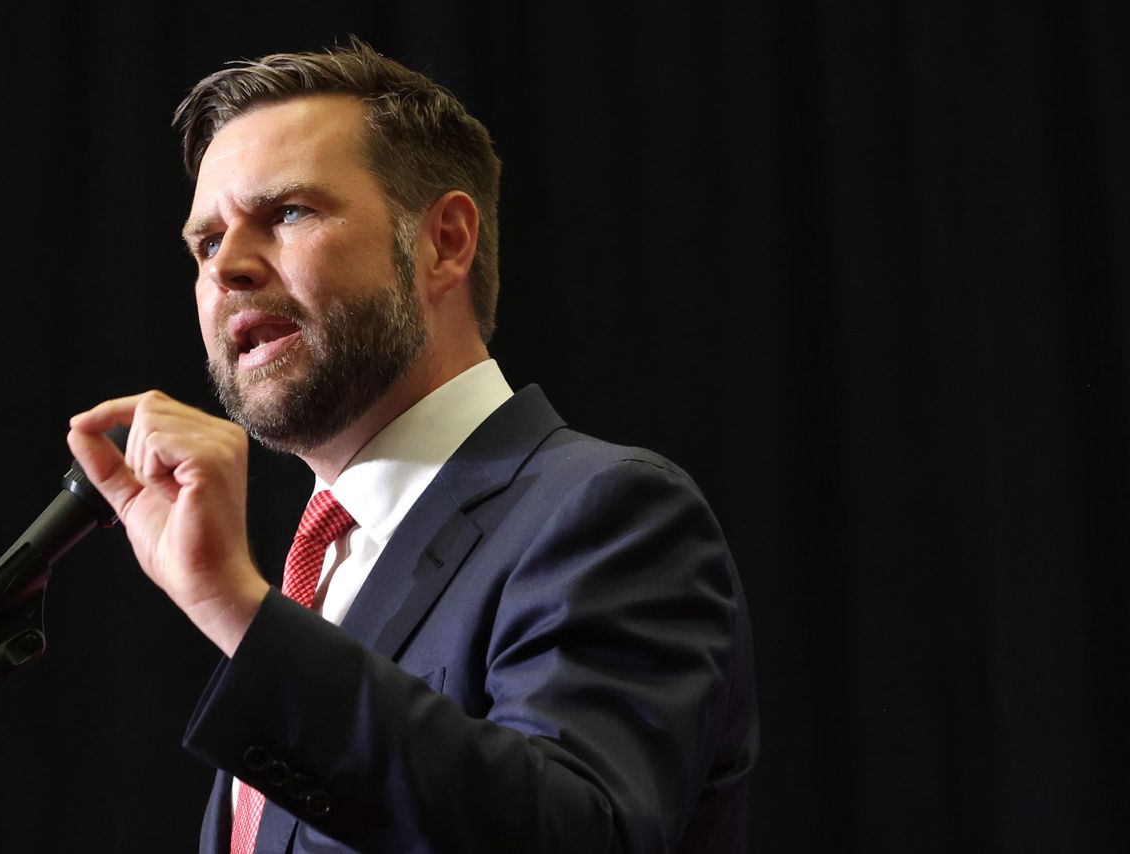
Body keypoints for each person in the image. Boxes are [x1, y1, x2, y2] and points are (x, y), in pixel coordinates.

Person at [67, 38, 757, 854]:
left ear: (445, 242)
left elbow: (578, 833)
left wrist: (236, 610)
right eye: (207, 242)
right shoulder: (311, 578)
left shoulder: (609, 512)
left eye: (288, 212)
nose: (230, 269)